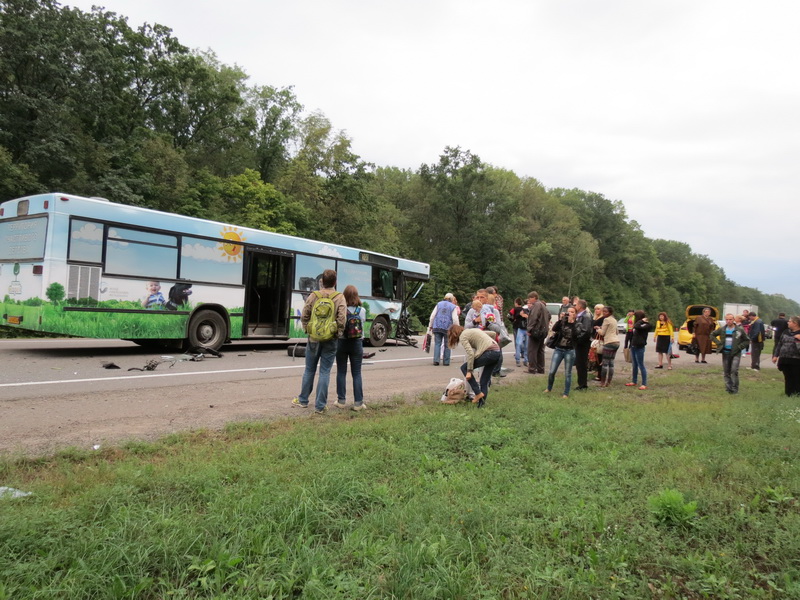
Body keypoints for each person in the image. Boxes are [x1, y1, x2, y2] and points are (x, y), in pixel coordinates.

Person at [292, 269, 347, 413]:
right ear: (335, 282)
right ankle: (320, 406)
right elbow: (342, 318)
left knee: (309, 369)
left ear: (321, 281)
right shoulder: (339, 297)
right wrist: (338, 332)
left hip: (314, 338)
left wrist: (308, 329)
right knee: (325, 372)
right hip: (331, 338)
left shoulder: (313, 295)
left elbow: (305, 315)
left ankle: (303, 400)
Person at [448, 324, 502, 408]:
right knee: (484, 381)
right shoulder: (473, 330)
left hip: (489, 353)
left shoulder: (463, 336)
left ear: (454, 333)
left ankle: (477, 393)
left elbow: (470, 353)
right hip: (497, 352)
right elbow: (493, 334)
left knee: (464, 368)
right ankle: (481, 405)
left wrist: (469, 371)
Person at [333, 285, 367, 411]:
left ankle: (341, 401)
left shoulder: (341, 309)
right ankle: (358, 403)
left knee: (341, 372)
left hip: (342, 342)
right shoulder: (361, 310)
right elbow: (362, 324)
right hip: (357, 343)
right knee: (357, 373)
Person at [711, 313, 750, 394]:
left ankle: (735, 388)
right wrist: (719, 343)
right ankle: (729, 388)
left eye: (730, 319)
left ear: (733, 320)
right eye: (727, 319)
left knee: (734, 370)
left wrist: (739, 347)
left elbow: (747, 340)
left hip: (736, 353)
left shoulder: (739, 330)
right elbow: (712, 335)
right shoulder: (722, 329)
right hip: (725, 352)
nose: (728, 321)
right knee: (726, 371)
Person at [545, 306, 578, 398]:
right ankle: (549, 388)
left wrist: (572, 322)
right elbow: (554, 329)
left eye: (572, 312)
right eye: (568, 312)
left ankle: (566, 393)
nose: (569, 314)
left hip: (569, 350)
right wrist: (560, 319)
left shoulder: (577, 324)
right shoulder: (563, 322)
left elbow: (577, 335)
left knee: (568, 373)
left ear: (575, 314)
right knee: (552, 371)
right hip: (559, 349)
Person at [428, 293, 459, 366]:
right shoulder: (453, 306)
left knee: (437, 344)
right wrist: (457, 327)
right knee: (447, 344)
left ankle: (436, 360)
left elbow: (432, 316)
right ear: (451, 299)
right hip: (448, 327)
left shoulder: (438, 304)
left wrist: (430, 325)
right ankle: (446, 361)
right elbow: (455, 318)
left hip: (437, 326)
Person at [772, 316, 800, 396]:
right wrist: (775, 356)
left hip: (796, 360)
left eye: (790, 321)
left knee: (796, 377)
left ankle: (796, 393)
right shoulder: (785, 332)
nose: (788, 322)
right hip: (784, 358)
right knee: (787, 377)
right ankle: (788, 393)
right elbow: (780, 344)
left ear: (795, 323)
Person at [625, 310, 651, 390]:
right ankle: (634, 381)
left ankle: (644, 383)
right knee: (634, 365)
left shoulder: (646, 325)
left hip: (640, 346)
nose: (634, 318)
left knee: (641, 365)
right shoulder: (638, 323)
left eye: (636, 316)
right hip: (633, 345)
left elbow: (637, 326)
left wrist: (640, 321)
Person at [525, 291, 549, 375]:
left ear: (534, 298)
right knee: (540, 350)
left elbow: (533, 317)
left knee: (532, 350)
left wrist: (529, 329)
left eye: (530, 298)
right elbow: (548, 316)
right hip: (543, 331)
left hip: (536, 331)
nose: (529, 301)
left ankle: (532, 368)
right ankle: (541, 369)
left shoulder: (536, 305)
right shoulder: (543, 305)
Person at [573, 299, 594, 390]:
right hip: (580, 343)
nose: (575, 306)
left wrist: (578, 340)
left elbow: (586, 331)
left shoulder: (586, 316)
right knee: (579, 363)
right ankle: (581, 383)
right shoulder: (580, 315)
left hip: (583, 343)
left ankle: (583, 384)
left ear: (580, 306)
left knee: (581, 363)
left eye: (576, 305)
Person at [597, 306, 620, 387]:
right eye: (603, 311)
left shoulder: (606, 320)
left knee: (605, 363)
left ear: (610, 312)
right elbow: (616, 331)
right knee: (611, 363)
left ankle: (602, 382)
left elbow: (602, 333)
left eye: (606, 312)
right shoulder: (614, 320)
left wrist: (597, 329)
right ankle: (609, 382)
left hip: (609, 342)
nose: (604, 313)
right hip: (616, 342)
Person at [508, 297, 528, 367]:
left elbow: (509, 315)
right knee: (525, 344)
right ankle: (524, 357)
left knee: (517, 343)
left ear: (516, 303)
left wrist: (512, 320)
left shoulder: (514, 309)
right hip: (525, 328)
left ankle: (518, 358)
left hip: (517, 327)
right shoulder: (524, 309)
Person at [590, 304, 605, 381]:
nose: (596, 310)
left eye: (598, 309)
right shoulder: (595, 317)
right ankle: (597, 372)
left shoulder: (603, 318)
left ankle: (600, 375)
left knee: (600, 357)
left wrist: (599, 328)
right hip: (595, 338)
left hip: (601, 339)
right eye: (596, 309)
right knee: (595, 357)